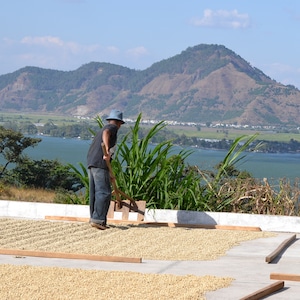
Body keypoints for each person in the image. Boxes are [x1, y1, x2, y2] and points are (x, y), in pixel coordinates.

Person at [87, 109, 125, 230]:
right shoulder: (111, 128)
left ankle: (94, 218)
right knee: (104, 192)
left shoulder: (102, 129)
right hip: (100, 163)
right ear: (119, 123)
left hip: (92, 163)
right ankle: (98, 220)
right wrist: (107, 150)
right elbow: (107, 133)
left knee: (94, 192)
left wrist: (109, 172)